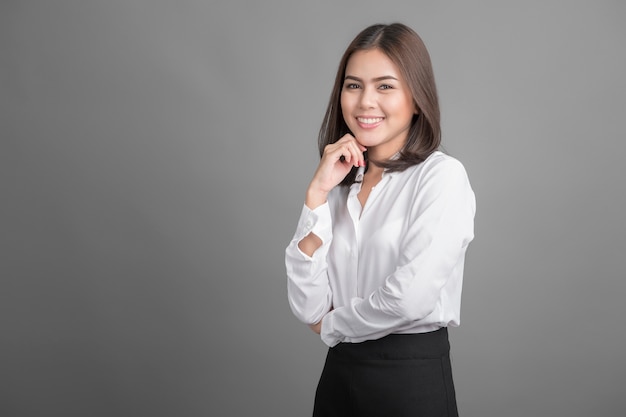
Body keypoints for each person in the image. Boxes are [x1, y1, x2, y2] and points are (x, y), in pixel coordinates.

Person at [285, 22, 475, 417]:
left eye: (385, 86)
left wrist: (333, 327)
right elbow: (308, 307)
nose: (365, 102)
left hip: (410, 382)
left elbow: (410, 298)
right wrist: (316, 196)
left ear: (417, 99)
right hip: (339, 379)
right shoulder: (338, 184)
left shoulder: (441, 177)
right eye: (353, 86)